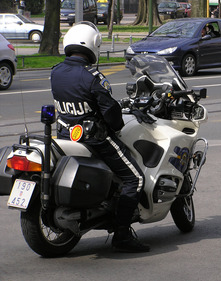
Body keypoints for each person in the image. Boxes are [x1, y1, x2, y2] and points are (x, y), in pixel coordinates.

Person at [51, 22, 150, 253]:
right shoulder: (92, 77)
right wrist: (116, 125)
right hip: (94, 139)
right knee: (134, 179)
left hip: (66, 135)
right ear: (93, 45)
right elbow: (111, 113)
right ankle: (122, 235)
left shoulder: (55, 72)